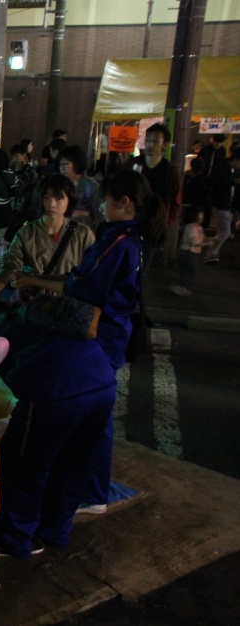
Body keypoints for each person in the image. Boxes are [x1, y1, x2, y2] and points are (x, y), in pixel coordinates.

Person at [14, 170, 166, 515]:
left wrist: (35, 280)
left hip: (100, 337)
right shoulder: (131, 238)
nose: (99, 204)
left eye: (106, 199)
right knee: (97, 414)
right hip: (111, 336)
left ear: (123, 203)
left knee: (91, 416)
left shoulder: (117, 240)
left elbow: (82, 286)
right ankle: (92, 489)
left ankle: (92, 491)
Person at [0, 300, 117, 560]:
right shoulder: (39, 320)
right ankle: (56, 529)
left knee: (23, 464)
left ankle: (13, 538)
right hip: (103, 384)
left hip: (57, 391)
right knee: (75, 461)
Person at [0, 174, 95, 330]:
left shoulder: (83, 234)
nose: (52, 204)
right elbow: (6, 271)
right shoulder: (26, 233)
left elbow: (90, 276)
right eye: (46, 198)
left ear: (69, 200)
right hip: (35, 310)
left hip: (67, 311)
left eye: (58, 198)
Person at [124, 123, 182, 267]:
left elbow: (175, 199)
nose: (150, 144)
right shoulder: (133, 163)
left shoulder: (170, 170)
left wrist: (165, 222)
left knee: (143, 264)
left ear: (165, 144)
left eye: (155, 141)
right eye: (147, 139)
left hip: (153, 223)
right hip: (129, 219)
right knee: (124, 260)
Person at [204, 147, 239, 265]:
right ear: (235, 160)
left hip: (229, 206)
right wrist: (234, 181)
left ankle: (213, 253)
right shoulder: (222, 169)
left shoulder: (234, 170)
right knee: (226, 232)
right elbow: (219, 184)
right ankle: (209, 249)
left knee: (222, 231)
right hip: (221, 205)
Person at [58, 145, 102, 233]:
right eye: (60, 165)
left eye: (66, 164)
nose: (62, 168)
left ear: (77, 164)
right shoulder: (59, 184)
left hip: (83, 231)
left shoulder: (92, 187)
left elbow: (99, 217)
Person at [170, 205, 209, 297]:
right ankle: (180, 286)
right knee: (191, 271)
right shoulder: (191, 228)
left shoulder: (198, 227)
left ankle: (181, 286)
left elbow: (202, 238)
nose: (202, 217)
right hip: (187, 253)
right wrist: (208, 244)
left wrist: (213, 239)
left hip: (192, 253)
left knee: (186, 271)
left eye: (203, 215)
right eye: (200, 215)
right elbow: (194, 243)